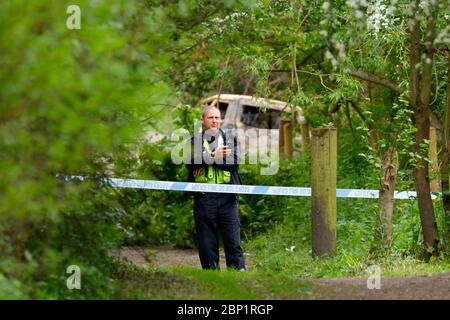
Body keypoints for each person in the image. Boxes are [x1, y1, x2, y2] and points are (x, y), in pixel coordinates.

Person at [185, 105, 246, 270]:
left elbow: (235, 162)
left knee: (233, 239)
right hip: (204, 196)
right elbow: (190, 162)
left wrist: (206, 160)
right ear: (202, 120)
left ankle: (238, 272)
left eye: (217, 118)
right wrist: (213, 155)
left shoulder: (231, 140)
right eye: (211, 117)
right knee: (206, 241)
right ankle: (211, 273)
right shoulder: (193, 141)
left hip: (227, 196)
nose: (214, 121)